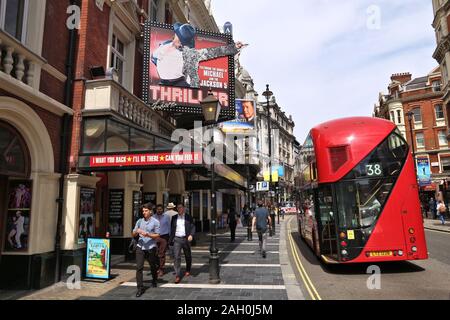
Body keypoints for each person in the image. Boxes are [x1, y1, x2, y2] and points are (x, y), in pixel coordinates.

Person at [152, 22, 244, 88]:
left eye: (183, 42)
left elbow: (214, 52)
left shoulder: (190, 53)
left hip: (178, 85)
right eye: (180, 39)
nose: (180, 43)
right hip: (162, 84)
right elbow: (154, 57)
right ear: (176, 34)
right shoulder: (164, 45)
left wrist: (234, 48)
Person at [132, 203, 160, 297]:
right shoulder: (139, 221)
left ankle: (154, 279)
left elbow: (157, 235)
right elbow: (133, 234)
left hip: (151, 247)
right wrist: (136, 232)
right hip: (140, 246)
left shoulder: (155, 222)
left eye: (146, 211)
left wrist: (147, 234)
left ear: (150, 211)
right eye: (143, 211)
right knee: (139, 267)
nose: (144, 212)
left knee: (152, 265)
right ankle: (140, 288)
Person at [169, 203, 195, 284]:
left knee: (188, 255)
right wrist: (171, 239)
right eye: (178, 208)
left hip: (186, 239)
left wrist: (191, 235)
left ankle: (188, 269)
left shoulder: (188, 217)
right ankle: (177, 275)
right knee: (177, 257)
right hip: (177, 239)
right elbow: (172, 229)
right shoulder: (174, 218)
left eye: (180, 207)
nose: (179, 209)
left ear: (184, 208)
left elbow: (193, 227)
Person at [154, 204, 171, 277]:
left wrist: (170, 238)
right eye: (158, 209)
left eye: (160, 209)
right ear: (156, 210)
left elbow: (169, 227)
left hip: (164, 237)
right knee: (155, 253)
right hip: (155, 236)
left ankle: (161, 269)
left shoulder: (166, 217)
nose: (159, 210)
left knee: (162, 253)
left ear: (162, 210)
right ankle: (156, 267)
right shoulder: (153, 217)